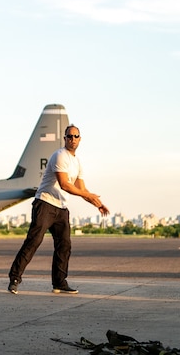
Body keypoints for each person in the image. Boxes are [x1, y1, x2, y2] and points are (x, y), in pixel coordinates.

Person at [7, 124, 109, 295]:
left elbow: (81, 189)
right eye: (69, 136)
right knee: (34, 241)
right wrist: (90, 196)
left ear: (80, 139)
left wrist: (97, 203)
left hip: (61, 207)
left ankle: (59, 282)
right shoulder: (59, 156)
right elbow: (65, 185)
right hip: (45, 204)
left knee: (64, 245)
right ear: (65, 138)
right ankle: (14, 279)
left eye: (76, 136)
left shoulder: (77, 163)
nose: (73, 139)